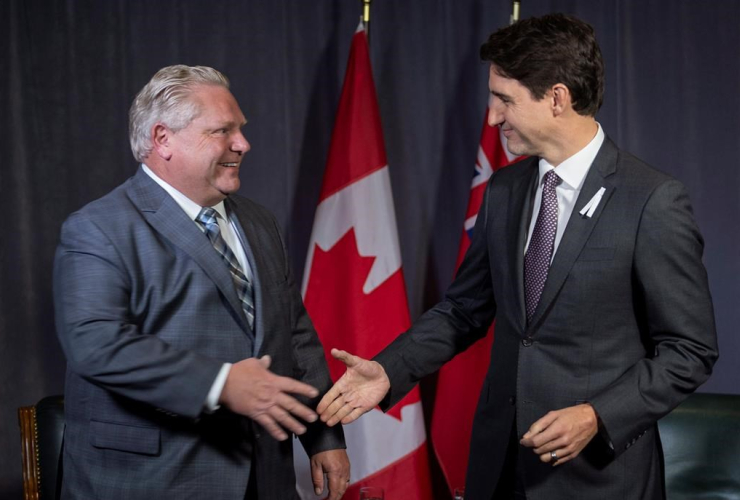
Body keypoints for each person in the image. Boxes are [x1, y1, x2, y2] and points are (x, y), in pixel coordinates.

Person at [317, 14, 718, 500]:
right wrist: (389, 370)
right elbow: (464, 309)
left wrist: (597, 415)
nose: (492, 117)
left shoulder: (652, 200)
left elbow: (689, 351)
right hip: (499, 467)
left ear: (556, 98)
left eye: (504, 99)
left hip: (599, 479)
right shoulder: (505, 190)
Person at [54, 65, 349, 500]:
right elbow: (96, 343)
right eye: (221, 131)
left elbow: (294, 334)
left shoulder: (259, 222)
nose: (243, 144)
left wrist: (323, 435)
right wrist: (220, 384)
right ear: (162, 139)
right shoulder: (98, 228)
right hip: (151, 482)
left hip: (265, 476)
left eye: (241, 130)